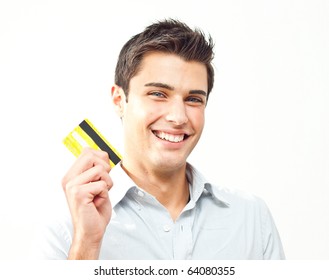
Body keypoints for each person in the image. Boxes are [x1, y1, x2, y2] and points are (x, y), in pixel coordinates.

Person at [33, 19, 285, 259]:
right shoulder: (67, 226)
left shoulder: (252, 219)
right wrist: (87, 244)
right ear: (120, 100)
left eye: (194, 99)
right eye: (158, 93)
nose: (178, 117)